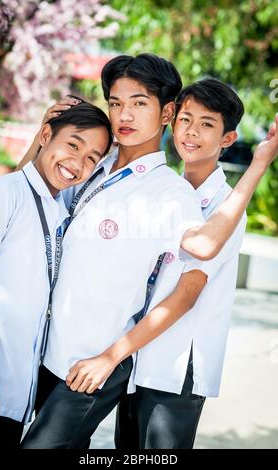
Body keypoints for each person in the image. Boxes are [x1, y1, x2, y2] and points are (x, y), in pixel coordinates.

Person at [20, 54, 278, 449]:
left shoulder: (171, 195)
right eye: (116, 102)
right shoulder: (94, 166)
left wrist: (259, 162)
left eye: (139, 102)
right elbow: (25, 196)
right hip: (48, 353)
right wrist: (46, 136)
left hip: (101, 363)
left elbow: (202, 253)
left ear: (165, 112)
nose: (124, 114)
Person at [114, 78, 248, 449]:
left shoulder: (226, 207)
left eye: (207, 124)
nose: (192, 132)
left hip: (177, 367)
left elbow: (189, 291)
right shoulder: (168, 191)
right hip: (138, 356)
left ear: (227, 139)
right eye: (186, 119)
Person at [0, 102, 112, 449]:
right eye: (73, 144)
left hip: (13, 399)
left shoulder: (57, 208)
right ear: (46, 135)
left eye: (91, 158)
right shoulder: (1, 194)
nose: (78, 163)